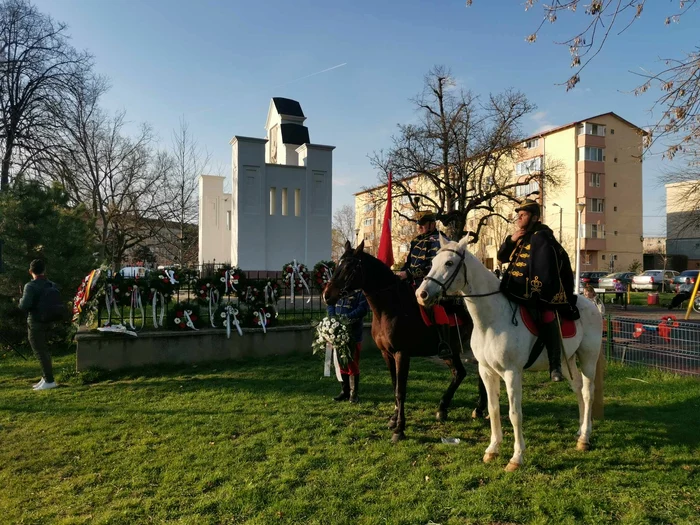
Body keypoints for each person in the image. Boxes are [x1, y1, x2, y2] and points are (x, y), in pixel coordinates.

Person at [497, 198, 579, 382]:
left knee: (547, 314)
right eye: (518, 215)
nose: (519, 218)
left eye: (523, 215)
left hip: (538, 291)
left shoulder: (542, 236)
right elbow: (501, 257)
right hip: (513, 288)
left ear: (534, 217)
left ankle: (555, 365)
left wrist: (537, 290)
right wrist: (511, 240)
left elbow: (545, 268)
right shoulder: (520, 235)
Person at [18, 259, 58, 391]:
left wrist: (20, 300)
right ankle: (45, 378)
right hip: (49, 321)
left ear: (30, 271)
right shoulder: (51, 284)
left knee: (40, 352)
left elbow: (24, 306)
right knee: (44, 351)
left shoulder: (30, 286)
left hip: (35, 322)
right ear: (44, 270)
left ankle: (49, 380)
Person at [326, 289, 368, 403]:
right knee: (341, 363)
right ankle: (345, 391)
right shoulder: (338, 289)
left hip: (353, 334)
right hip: (337, 332)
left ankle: (353, 394)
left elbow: (363, 309)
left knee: (352, 363)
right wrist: (333, 319)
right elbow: (330, 303)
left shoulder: (360, 292)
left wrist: (346, 318)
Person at [398, 211, 449, 287]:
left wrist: (409, 273)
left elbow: (433, 265)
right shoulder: (416, 241)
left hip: (431, 284)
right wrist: (401, 273)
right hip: (412, 282)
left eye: (422, 224)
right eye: (418, 224)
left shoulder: (441, 240)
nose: (419, 227)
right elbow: (409, 262)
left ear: (432, 224)